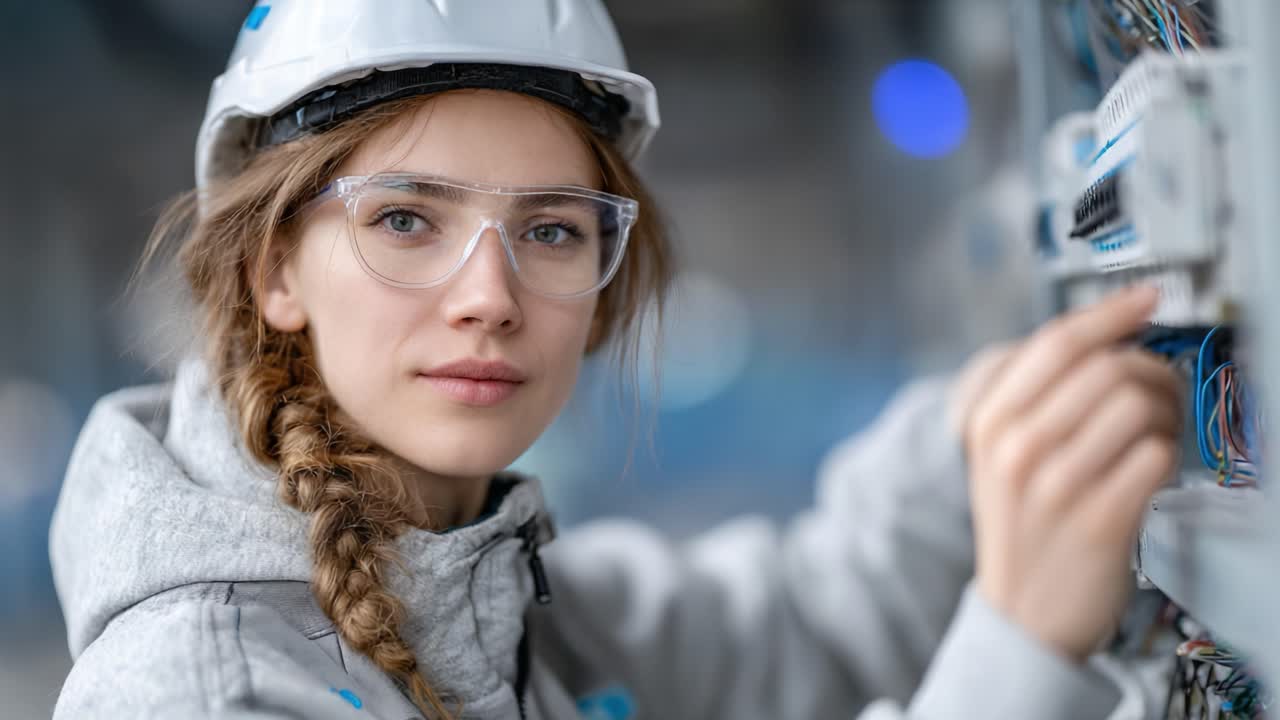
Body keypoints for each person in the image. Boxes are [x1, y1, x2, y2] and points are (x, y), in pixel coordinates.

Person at [49, 1, 1183, 718]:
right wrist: (1019, 656)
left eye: (549, 230)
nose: (489, 299)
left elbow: (804, 626)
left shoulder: (501, 604)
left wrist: (987, 423)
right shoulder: (201, 693)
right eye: (405, 221)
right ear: (273, 273)